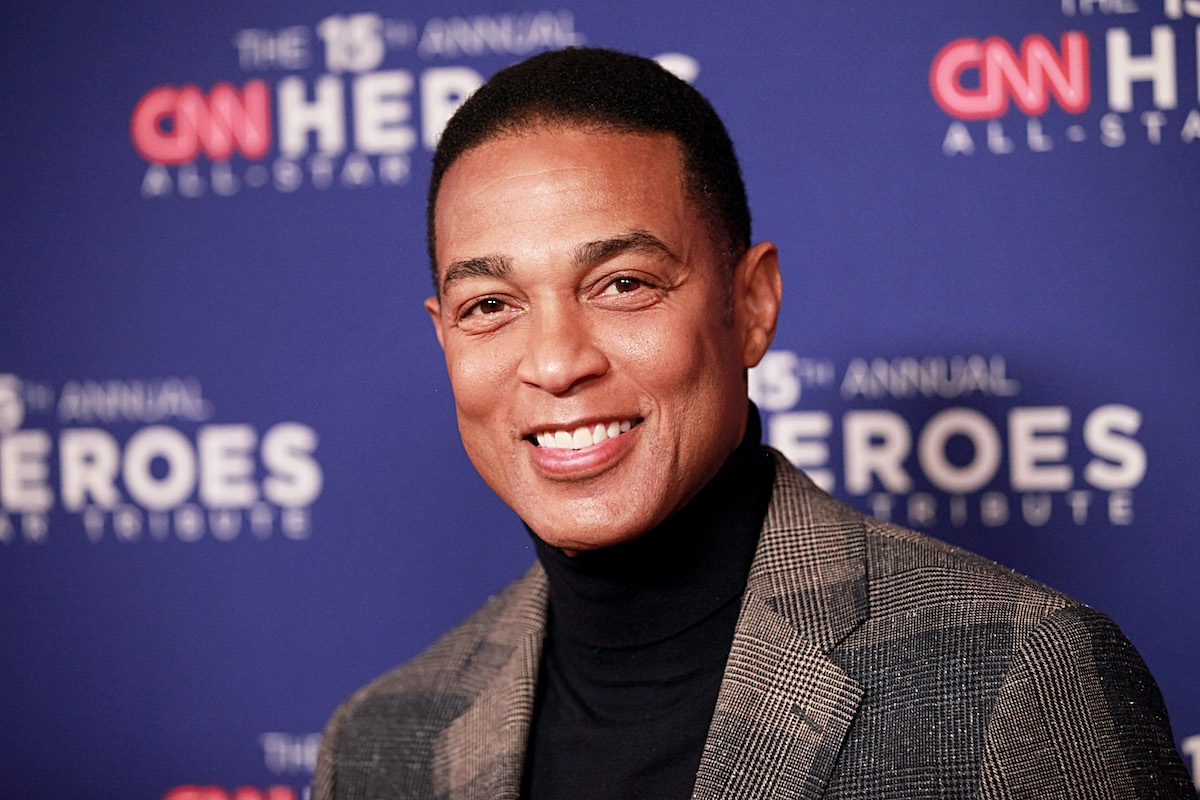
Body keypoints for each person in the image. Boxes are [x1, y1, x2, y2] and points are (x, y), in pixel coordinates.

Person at [314, 48, 1191, 799]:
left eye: (623, 284)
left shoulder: (1019, 676)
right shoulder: (381, 744)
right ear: (443, 336)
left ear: (752, 303)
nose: (554, 361)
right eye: (491, 304)